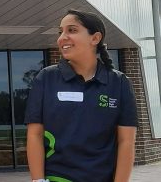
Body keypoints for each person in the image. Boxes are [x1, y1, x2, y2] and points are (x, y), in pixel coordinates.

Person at [25, 10, 137, 182]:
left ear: (95, 38)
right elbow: (35, 135)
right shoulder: (46, 78)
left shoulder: (119, 83)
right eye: (60, 31)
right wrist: (38, 180)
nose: (62, 37)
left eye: (72, 30)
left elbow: (126, 141)